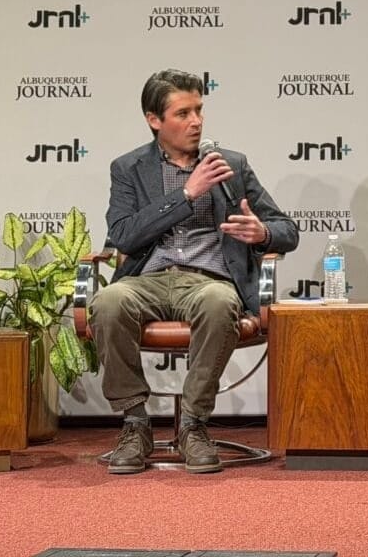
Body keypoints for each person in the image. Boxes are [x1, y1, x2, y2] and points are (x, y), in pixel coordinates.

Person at [91, 68, 298, 475]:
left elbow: (287, 230)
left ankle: (193, 424)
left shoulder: (231, 165)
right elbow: (124, 236)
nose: (197, 122)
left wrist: (260, 233)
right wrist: (186, 195)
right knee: (108, 301)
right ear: (155, 120)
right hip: (146, 279)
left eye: (199, 110)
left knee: (221, 302)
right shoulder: (129, 168)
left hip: (208, 280)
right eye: (183, 113)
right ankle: (134, 424)